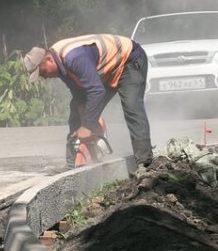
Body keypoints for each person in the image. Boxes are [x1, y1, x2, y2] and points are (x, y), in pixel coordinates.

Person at [24, 34, 153, 167]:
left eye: (43, 72)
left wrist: (86, 126)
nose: (44, 77)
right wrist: (86, 119)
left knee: (132, 106)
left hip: (128, 59)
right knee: (76, 108)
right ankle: (74, 163)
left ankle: (145, 163)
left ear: (49, 60)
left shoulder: (73, 57)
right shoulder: (58, 62)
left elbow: (97, 91)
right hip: (106, 69)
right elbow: (79, 93)